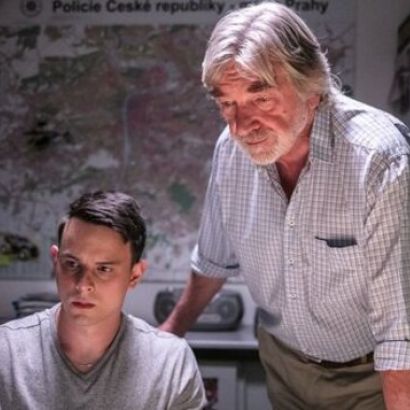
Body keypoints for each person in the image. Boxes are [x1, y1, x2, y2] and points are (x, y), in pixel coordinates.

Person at [159, 2, 410, 409]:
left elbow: (400, 335)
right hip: (284, 366)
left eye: (260, 99)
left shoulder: (380, 160)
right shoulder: (231, 151)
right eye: (227, 104)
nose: (241, 127)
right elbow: (212, 262)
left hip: (370, 377)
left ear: (312, 88)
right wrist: (167, 337)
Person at [0, 191, 206, 410]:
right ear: (56, 261)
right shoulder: (6, 353)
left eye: (103, 269)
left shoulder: (170, 364)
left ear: (134, 275)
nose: (83, 285)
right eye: (72, 264)